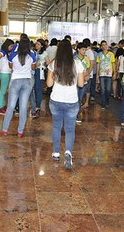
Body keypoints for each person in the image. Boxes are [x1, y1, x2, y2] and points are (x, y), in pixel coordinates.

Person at [47, 39, 84, 169]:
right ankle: (68, 152)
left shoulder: (53, 64)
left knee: (56, 127)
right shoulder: (77, 64)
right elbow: (81, 84)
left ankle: (56, 153)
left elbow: (49, 84)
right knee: (69, 129)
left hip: (56, 100)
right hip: (72, 101)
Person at [0, 37, 36, 137]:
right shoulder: (32, 55)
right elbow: (33, 68)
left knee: (11, 106)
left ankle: (5, 130)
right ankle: (20, 131)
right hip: (27, 81)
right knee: (23, 107)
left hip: (15, 80)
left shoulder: (13, 55)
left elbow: (11, 66)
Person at [0, 38, 14, 115]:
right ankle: (0, 107)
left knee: (4, 90)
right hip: (4, 73)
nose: (11, 48)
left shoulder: (6, 53)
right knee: (2, 91)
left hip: (7, 73)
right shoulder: (2, 53)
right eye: (11, 46)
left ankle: (2, 106)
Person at [96, 40, 116, 109]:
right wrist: (97, 75)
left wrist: (115, 73)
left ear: (107, 45)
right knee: (102, 89)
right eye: (103, 45)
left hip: (109, 74)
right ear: (101, 47)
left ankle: (107, 99)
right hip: (101, 74)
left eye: (105, 44)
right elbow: (98, 64)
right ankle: (103, 103)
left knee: (108, 89)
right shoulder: (99, 54)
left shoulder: (111, 54)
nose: (104, 46)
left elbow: (113, 64)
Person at [33, 39, 50, 117]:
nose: (37, 45)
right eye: (36, 44)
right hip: (32, 71)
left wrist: (42, 64)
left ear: (42, 45)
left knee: (38, 88)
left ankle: (38, 106)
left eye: (38, 44)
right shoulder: (33, 52)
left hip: (40, 71)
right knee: (32, 88)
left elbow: (49, 63)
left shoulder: (44, 53)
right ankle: (33, 105)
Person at [74, 42, 90, 123]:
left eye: (85, 50)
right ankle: (73, 115)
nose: (84, 51)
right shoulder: (74, 59)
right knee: (74, 99)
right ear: (78, 49)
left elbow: (87, 70)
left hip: (84, 82)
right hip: (75, 82)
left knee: (80, 99)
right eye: (83, 49)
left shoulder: (86, 59)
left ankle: (76, 115)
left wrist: (87, 75)